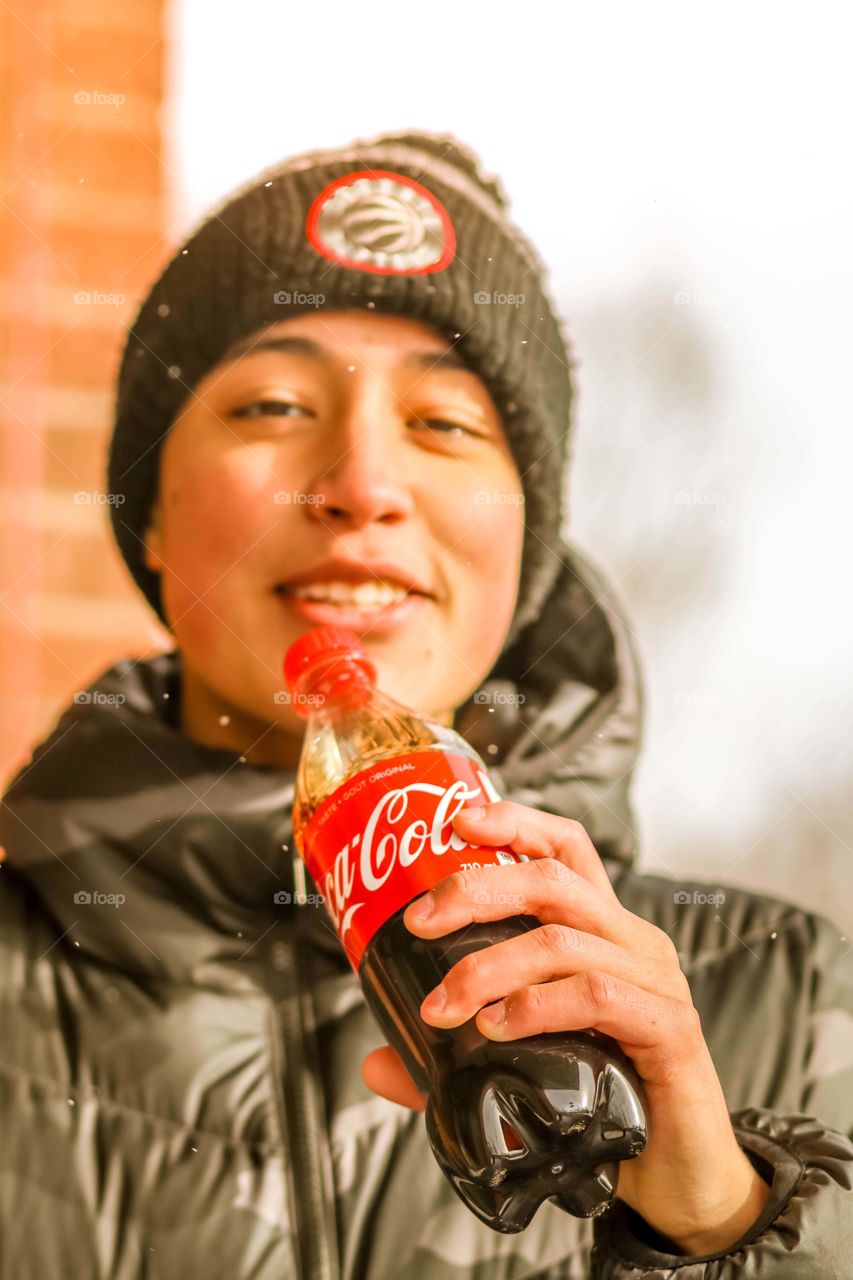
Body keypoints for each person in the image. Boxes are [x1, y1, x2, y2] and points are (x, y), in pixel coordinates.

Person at [1, 130, 851, 1280]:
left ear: (529, 539)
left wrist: (719, 1225)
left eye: (444, 424)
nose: (361, 484)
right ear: (150, 512)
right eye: (269, 406)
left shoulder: (784, 990)